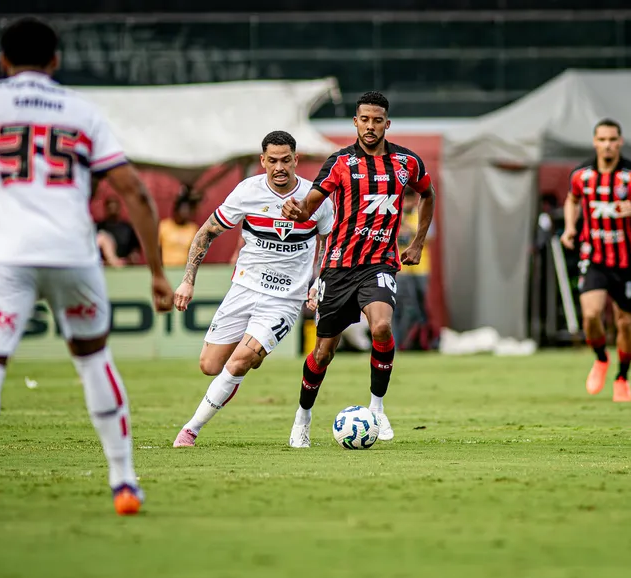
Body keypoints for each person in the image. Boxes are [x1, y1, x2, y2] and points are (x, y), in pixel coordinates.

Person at [0, 17, 173, 524]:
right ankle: (124, 482)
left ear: (2, 61)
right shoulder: (81, 110)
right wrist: (155, 273)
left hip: (6, 257)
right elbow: (136, 192)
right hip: (73, 255)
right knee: (93, 357)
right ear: (56, 61)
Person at [281, 91, 435, 447]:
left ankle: (377, 409)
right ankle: (302, 416)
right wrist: (296, 212)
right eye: (364, 119)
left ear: (387, 123)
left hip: (379, 263)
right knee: (323, 352)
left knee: (381, 326)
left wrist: (417, 243)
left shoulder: (406, 162)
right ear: (355, 121)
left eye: (377, 120)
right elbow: (309, 208)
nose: (370, 126)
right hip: (338, 267)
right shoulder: (338, 163)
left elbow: (428, 194)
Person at [172, 130, 333, 447]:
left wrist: (319, 282)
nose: (279, 167)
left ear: (296, 160)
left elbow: (331, 242)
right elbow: (206, 233)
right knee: (210, 366)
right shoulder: (247, 192)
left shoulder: (315, 199)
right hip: (243, 290)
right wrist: (188, 280)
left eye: (286, 160)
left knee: (238, 362)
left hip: (285, 300)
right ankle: (253, 350)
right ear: (263, 161)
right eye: (272, 161)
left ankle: (189, 431)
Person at [561, 119, 631, 402]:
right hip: (594, 257)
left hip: (627, 262)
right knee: (591, 315)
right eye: (602, 139)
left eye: (612, 140)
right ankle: (600, 358)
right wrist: (571, 227)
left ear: (620, 142)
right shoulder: (581, 175)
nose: (607, 145)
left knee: (624, 323)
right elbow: (571, 199)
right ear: (594, 142)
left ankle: (622, 377)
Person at [394, 188, 434, 350]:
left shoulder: (421, 215)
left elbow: (430, 236)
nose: (408, 204)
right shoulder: (396, 215)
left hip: (421, 269)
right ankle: (398, 343)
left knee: (419, 308)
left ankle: (420, 341)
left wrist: (410, 231)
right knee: (399, 307)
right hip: (400, 270)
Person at [159, 194, 199, 267]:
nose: (185, 213)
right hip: (166, 268)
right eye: (183, 210)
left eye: (187, 210)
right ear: (176, 210)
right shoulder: (164, 226)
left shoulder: (193, 229)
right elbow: (157, 250)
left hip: (184, 269)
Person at [97, 195, 140, 263]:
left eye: (114, 207)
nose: (112, 210)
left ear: (119, 208)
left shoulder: (128, 228)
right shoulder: (99, 227)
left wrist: (130, 259)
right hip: (103, 263)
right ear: (106, 209)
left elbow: (135, 250)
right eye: (110, 208)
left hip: (125, 263)